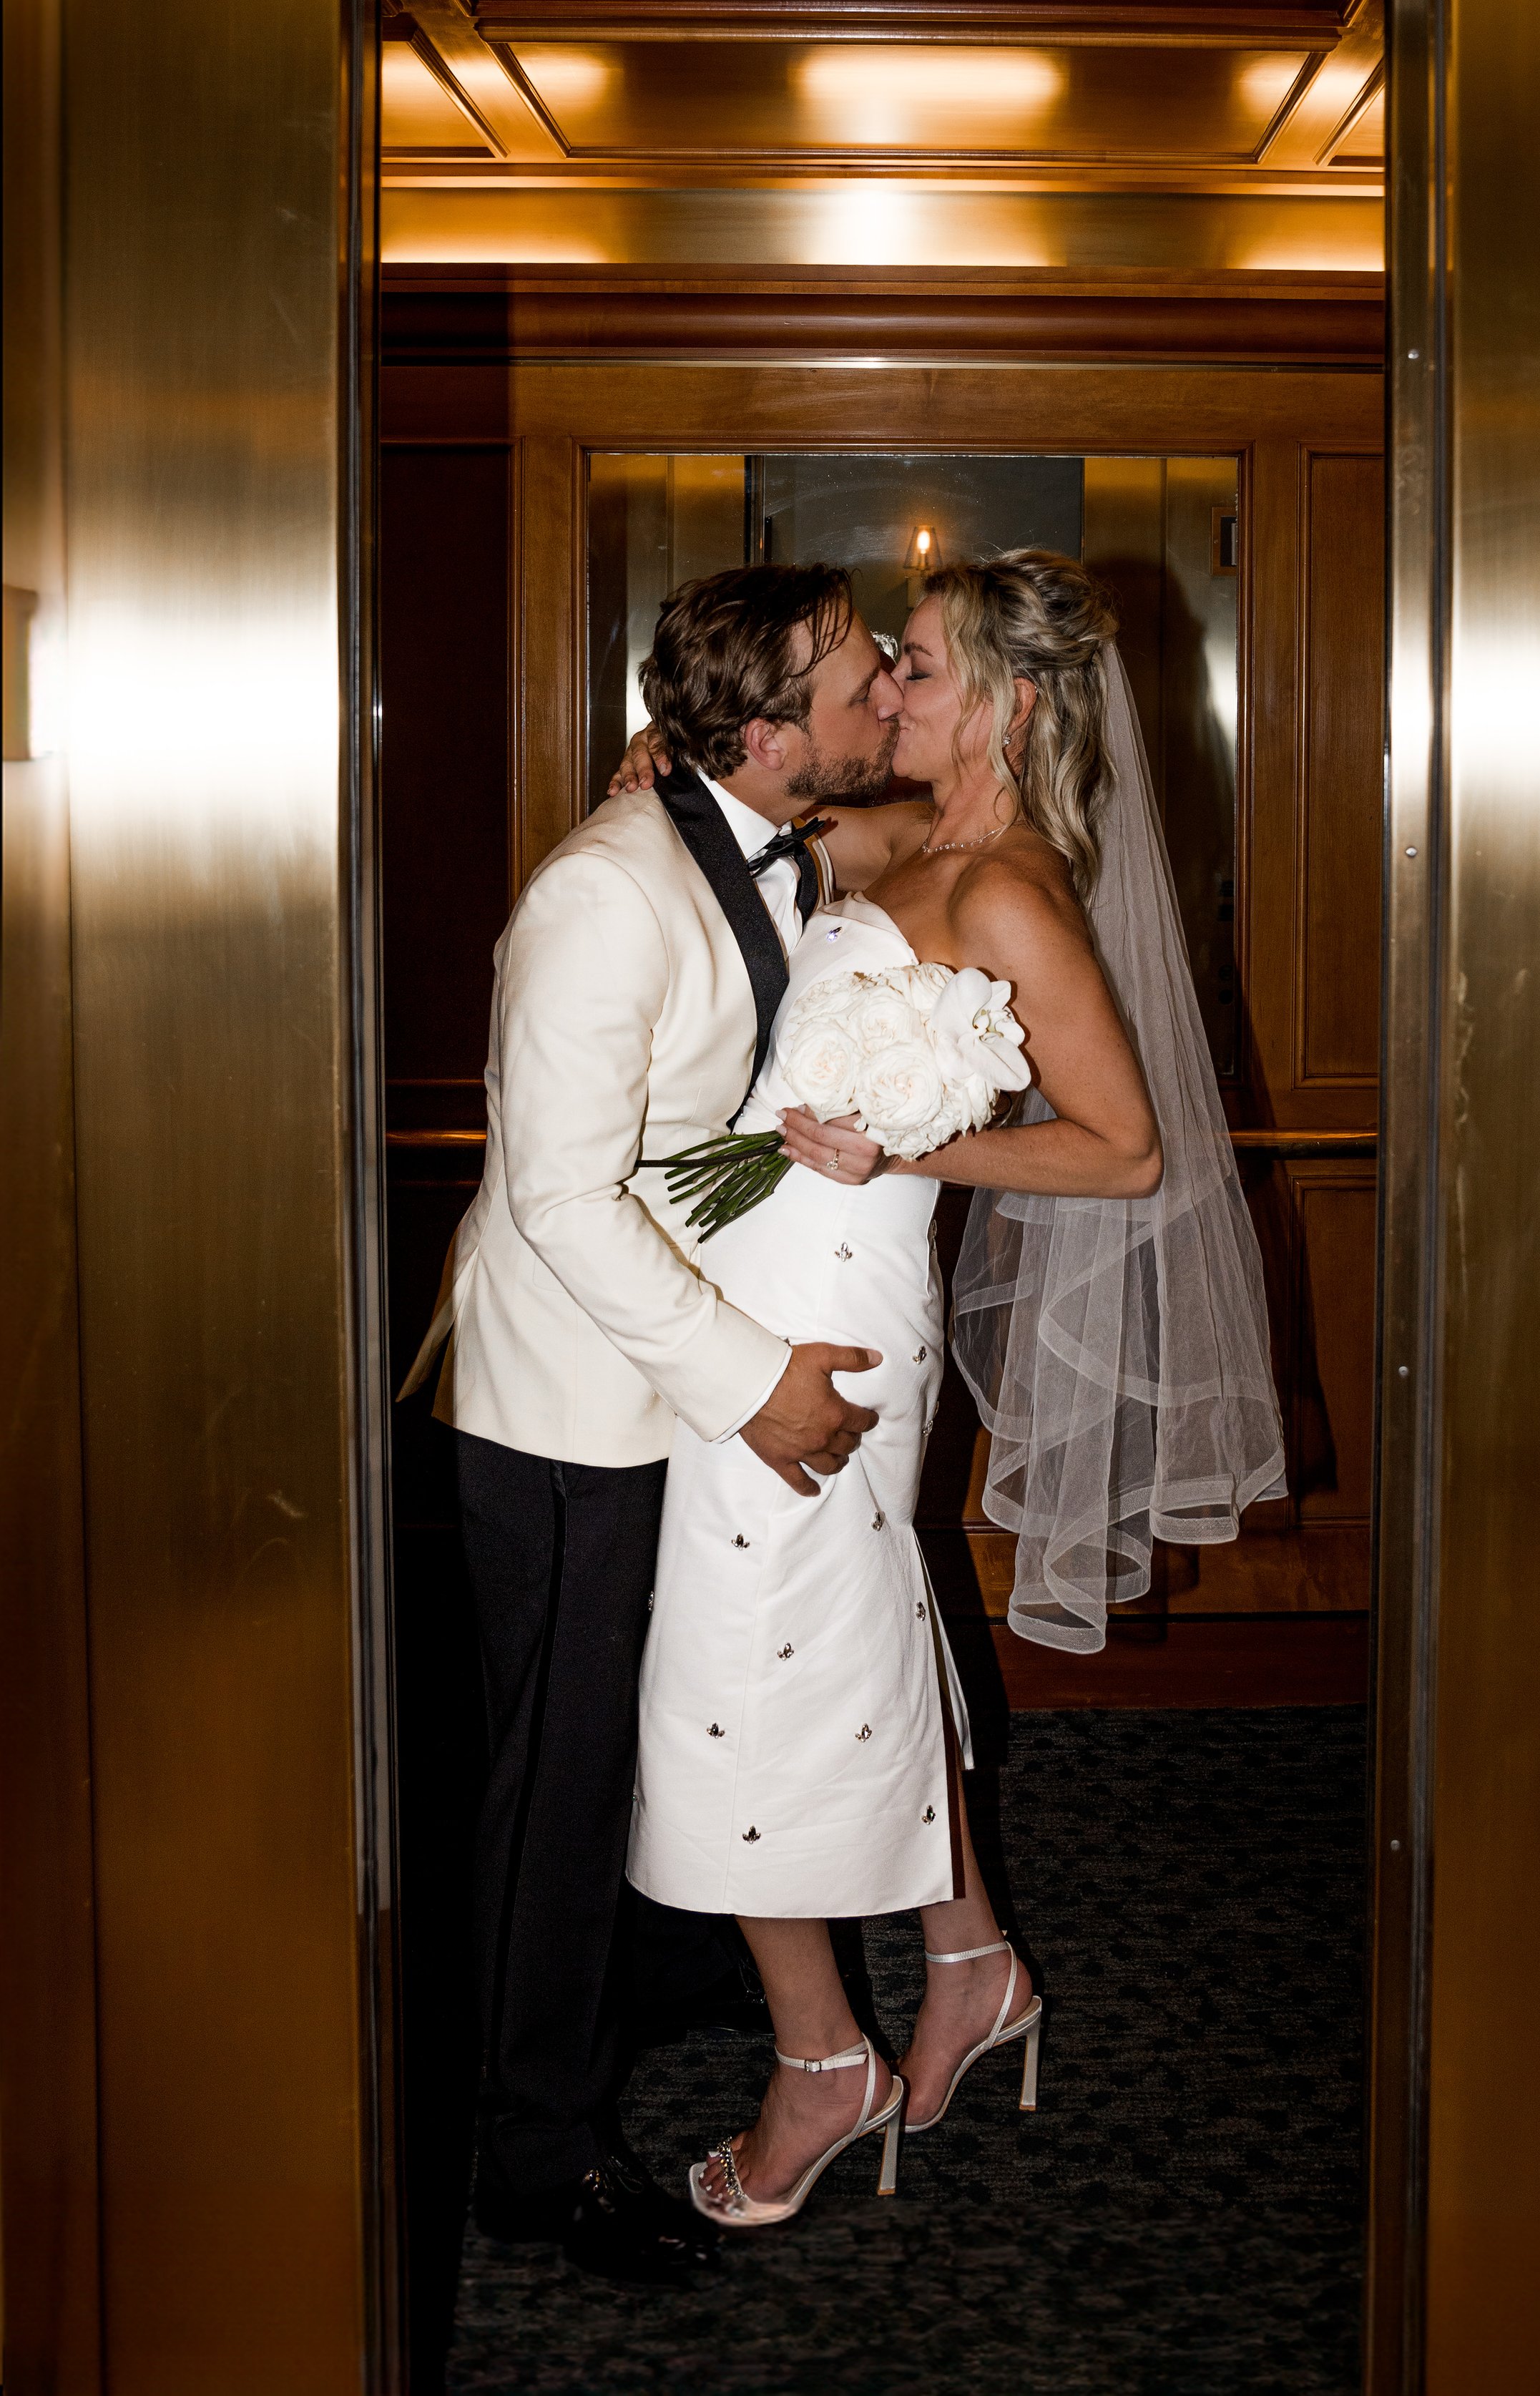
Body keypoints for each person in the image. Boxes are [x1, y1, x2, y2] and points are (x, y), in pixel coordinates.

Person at [612, 550, 1286, 2228]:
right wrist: (661, 772)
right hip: (763, 1280)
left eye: (914, 667)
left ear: (1009, 699)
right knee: (843, 1635)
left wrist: (919, 1137)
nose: (889, 693)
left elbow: (1125, 1151)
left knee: (744, 1661)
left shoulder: (1007, 894)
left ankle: (819, 2063)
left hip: (831, 1322)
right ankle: (970, 1962)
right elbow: (742, 826)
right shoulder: (909, 842)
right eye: (891, 668)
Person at [401, 562, 906, 2288]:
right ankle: (530, 2154)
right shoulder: (604, 895)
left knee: (639, 1724)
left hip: (654, 1387)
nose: (882, 699)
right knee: (549, 1786)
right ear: (764, 732)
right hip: (560, 1408)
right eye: (855, 681)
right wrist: (750, 1378)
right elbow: (556, 1196)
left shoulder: (753, 831)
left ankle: (650, 1973)